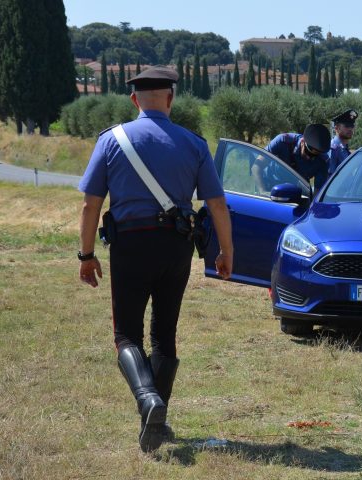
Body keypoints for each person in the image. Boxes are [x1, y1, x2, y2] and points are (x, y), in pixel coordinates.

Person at [77, 66, 233, 452]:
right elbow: (216, 203)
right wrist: (225, 251)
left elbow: (90, 204)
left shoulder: (111, 140)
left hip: (131, 245)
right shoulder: (194, 143)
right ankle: (156, 427)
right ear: (171, 98)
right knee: (164, 334)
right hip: (177, 246)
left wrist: (86, 255)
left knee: (126, 335)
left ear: (134, 100)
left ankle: (148, 400)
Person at [265, 123, 331, 189]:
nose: (309, 157)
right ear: (302, 142)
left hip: (298, 189)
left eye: (314, 156)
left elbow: (318, 190)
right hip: (270, 183)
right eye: (309, 153)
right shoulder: (282, 141)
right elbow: (257, 165)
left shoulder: (323, 161)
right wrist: (262, 190)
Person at [329, 109, 358, 174]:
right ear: (336, 128)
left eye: (352, 126)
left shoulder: (344, 149)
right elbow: (330, 178)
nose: (350, 129)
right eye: (347, 125)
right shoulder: (333, 149)